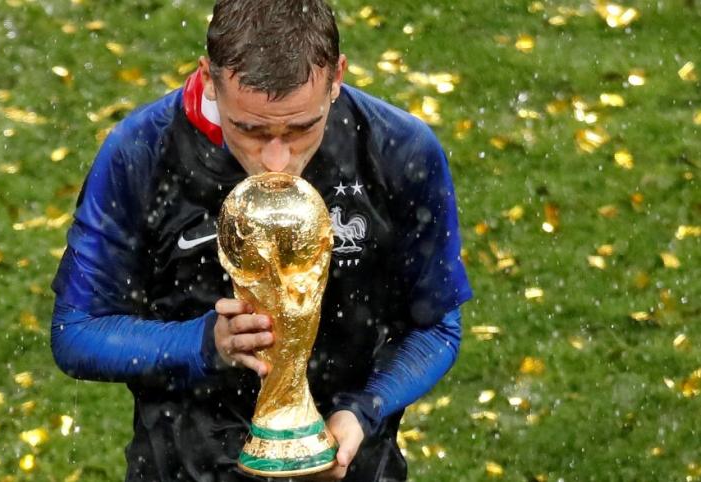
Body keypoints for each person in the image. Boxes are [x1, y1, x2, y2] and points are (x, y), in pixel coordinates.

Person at [50, 0, 472, 480]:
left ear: (337, 77)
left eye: (301, 127)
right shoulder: (141, 153)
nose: (277, 159)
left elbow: (437, 327)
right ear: (209, 78)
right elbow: (76, 332)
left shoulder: (398, 149)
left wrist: (361, 414)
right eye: (249, 129)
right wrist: (204, 343)